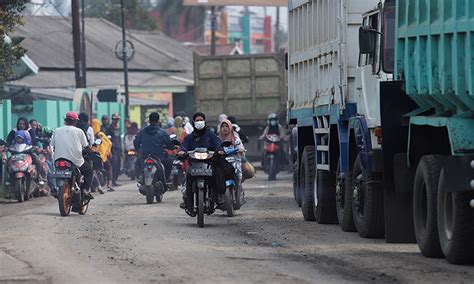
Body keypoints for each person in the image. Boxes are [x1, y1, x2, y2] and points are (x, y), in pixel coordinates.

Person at [179, 112, 235, 216]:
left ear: (204, 122)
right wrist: (182, 151)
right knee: (188, 179)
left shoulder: (210, 134)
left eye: (201, 120)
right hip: (194, 163)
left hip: (209, 163)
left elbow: (218, 144)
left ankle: (218, 196)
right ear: (193, 122)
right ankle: (188, 203)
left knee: (217, 175)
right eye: (197, 120)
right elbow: (184, 146)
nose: (199, 122)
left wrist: (220, 150)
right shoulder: (190, 137)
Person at [50, 112, 93, 198]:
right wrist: (91, 151)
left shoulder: (57, 130)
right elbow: (86, 146)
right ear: (75, 121)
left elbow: (53, 145)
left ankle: (56, 189)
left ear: (66, 120)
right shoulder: (79, 131)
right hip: (75, 161)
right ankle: (86, 190)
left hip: (59, 160)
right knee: (89, 170)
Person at [133, 112, 174, 184]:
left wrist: (139, 150)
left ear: (149, 120)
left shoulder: (142, 131)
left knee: (138, 162)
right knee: (170, 161)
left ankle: (140, 178)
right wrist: (171, 147)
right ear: (158, 121)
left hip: (145, 156)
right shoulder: (163, 132)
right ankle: (166, 180)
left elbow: (136, 143)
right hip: (159, 157)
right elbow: (169, 145)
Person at [6, 117, 44, 185]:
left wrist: (36, 146)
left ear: (26, 124)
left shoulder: (30, 131)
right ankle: (10, 177)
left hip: (28, 151)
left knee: (38, 161)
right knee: (7, 162)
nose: (21, 125)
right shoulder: (14, 131)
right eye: (20, 124)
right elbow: (9, 140)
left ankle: (39, 176)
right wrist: (6, 146)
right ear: (17, 124)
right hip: (16, 152)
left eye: (23, 124)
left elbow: (34, 138)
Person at [91, 119, 114, 192]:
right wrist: (108, 152)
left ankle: (99, 186)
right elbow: (108, 143)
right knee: (109, 167)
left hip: (93, 155)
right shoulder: (101, 134)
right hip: (102, 156)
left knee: (94, 171)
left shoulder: (90, 133)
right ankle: (110, 183)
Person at [106, 113, 123, 187]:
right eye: (115, 119)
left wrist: (121, 149)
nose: (116, 121)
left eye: (117, 119)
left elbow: (119, 139)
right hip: (113, 149)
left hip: (118, 149)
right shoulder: (109, 128)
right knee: (114, 165)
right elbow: (108, 140)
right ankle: (111, 181)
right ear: (112, 119)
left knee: (118, 165)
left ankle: (115, 180)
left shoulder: (118, 128)